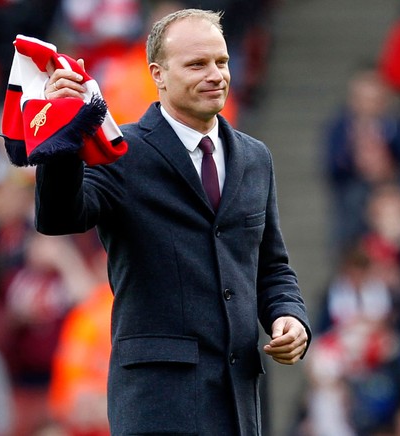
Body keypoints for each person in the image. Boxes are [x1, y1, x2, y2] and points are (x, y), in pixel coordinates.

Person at [32, 8, 311, 435]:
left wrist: (288, 316)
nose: (215, 74)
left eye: (221, 61)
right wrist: (63, 135)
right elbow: (59, 217)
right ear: (157, 74)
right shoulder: (122, 152)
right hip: (157, 405)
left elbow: (271, 267)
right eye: (197, 64)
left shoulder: (256, 158)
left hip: (238, 402)